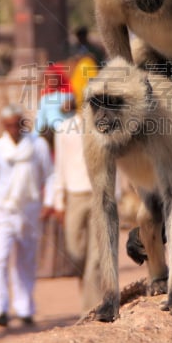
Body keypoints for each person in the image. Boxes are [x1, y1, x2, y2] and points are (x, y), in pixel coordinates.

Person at [0, 105, 53, 328]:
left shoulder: (38, 145)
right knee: (0, 257)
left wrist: (49, 202)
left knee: (25, 259)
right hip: (3, 209)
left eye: (17, 124)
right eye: (8, 125)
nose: (13, 129)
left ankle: (24, 308)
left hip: (29, 210)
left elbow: (50, 176)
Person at [48, 102, 102, 313]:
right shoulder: (64, 129)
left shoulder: (105, 127)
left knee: (97, 257)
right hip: (75, 195)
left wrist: (115, 197)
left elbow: (115, 163)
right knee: (75, 251)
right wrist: (58, 200)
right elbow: (59, 165)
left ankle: (92, 309)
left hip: (100, 194)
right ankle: (89, 292)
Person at [33, 63, 75, 137]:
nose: (52, 80)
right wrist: (35, 136)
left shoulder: (68, 95)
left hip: (66, 132)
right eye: (49, 78)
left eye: (54, 78)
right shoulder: (44, 99)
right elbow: (40, 119)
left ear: (59, 78)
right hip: (50, 134)